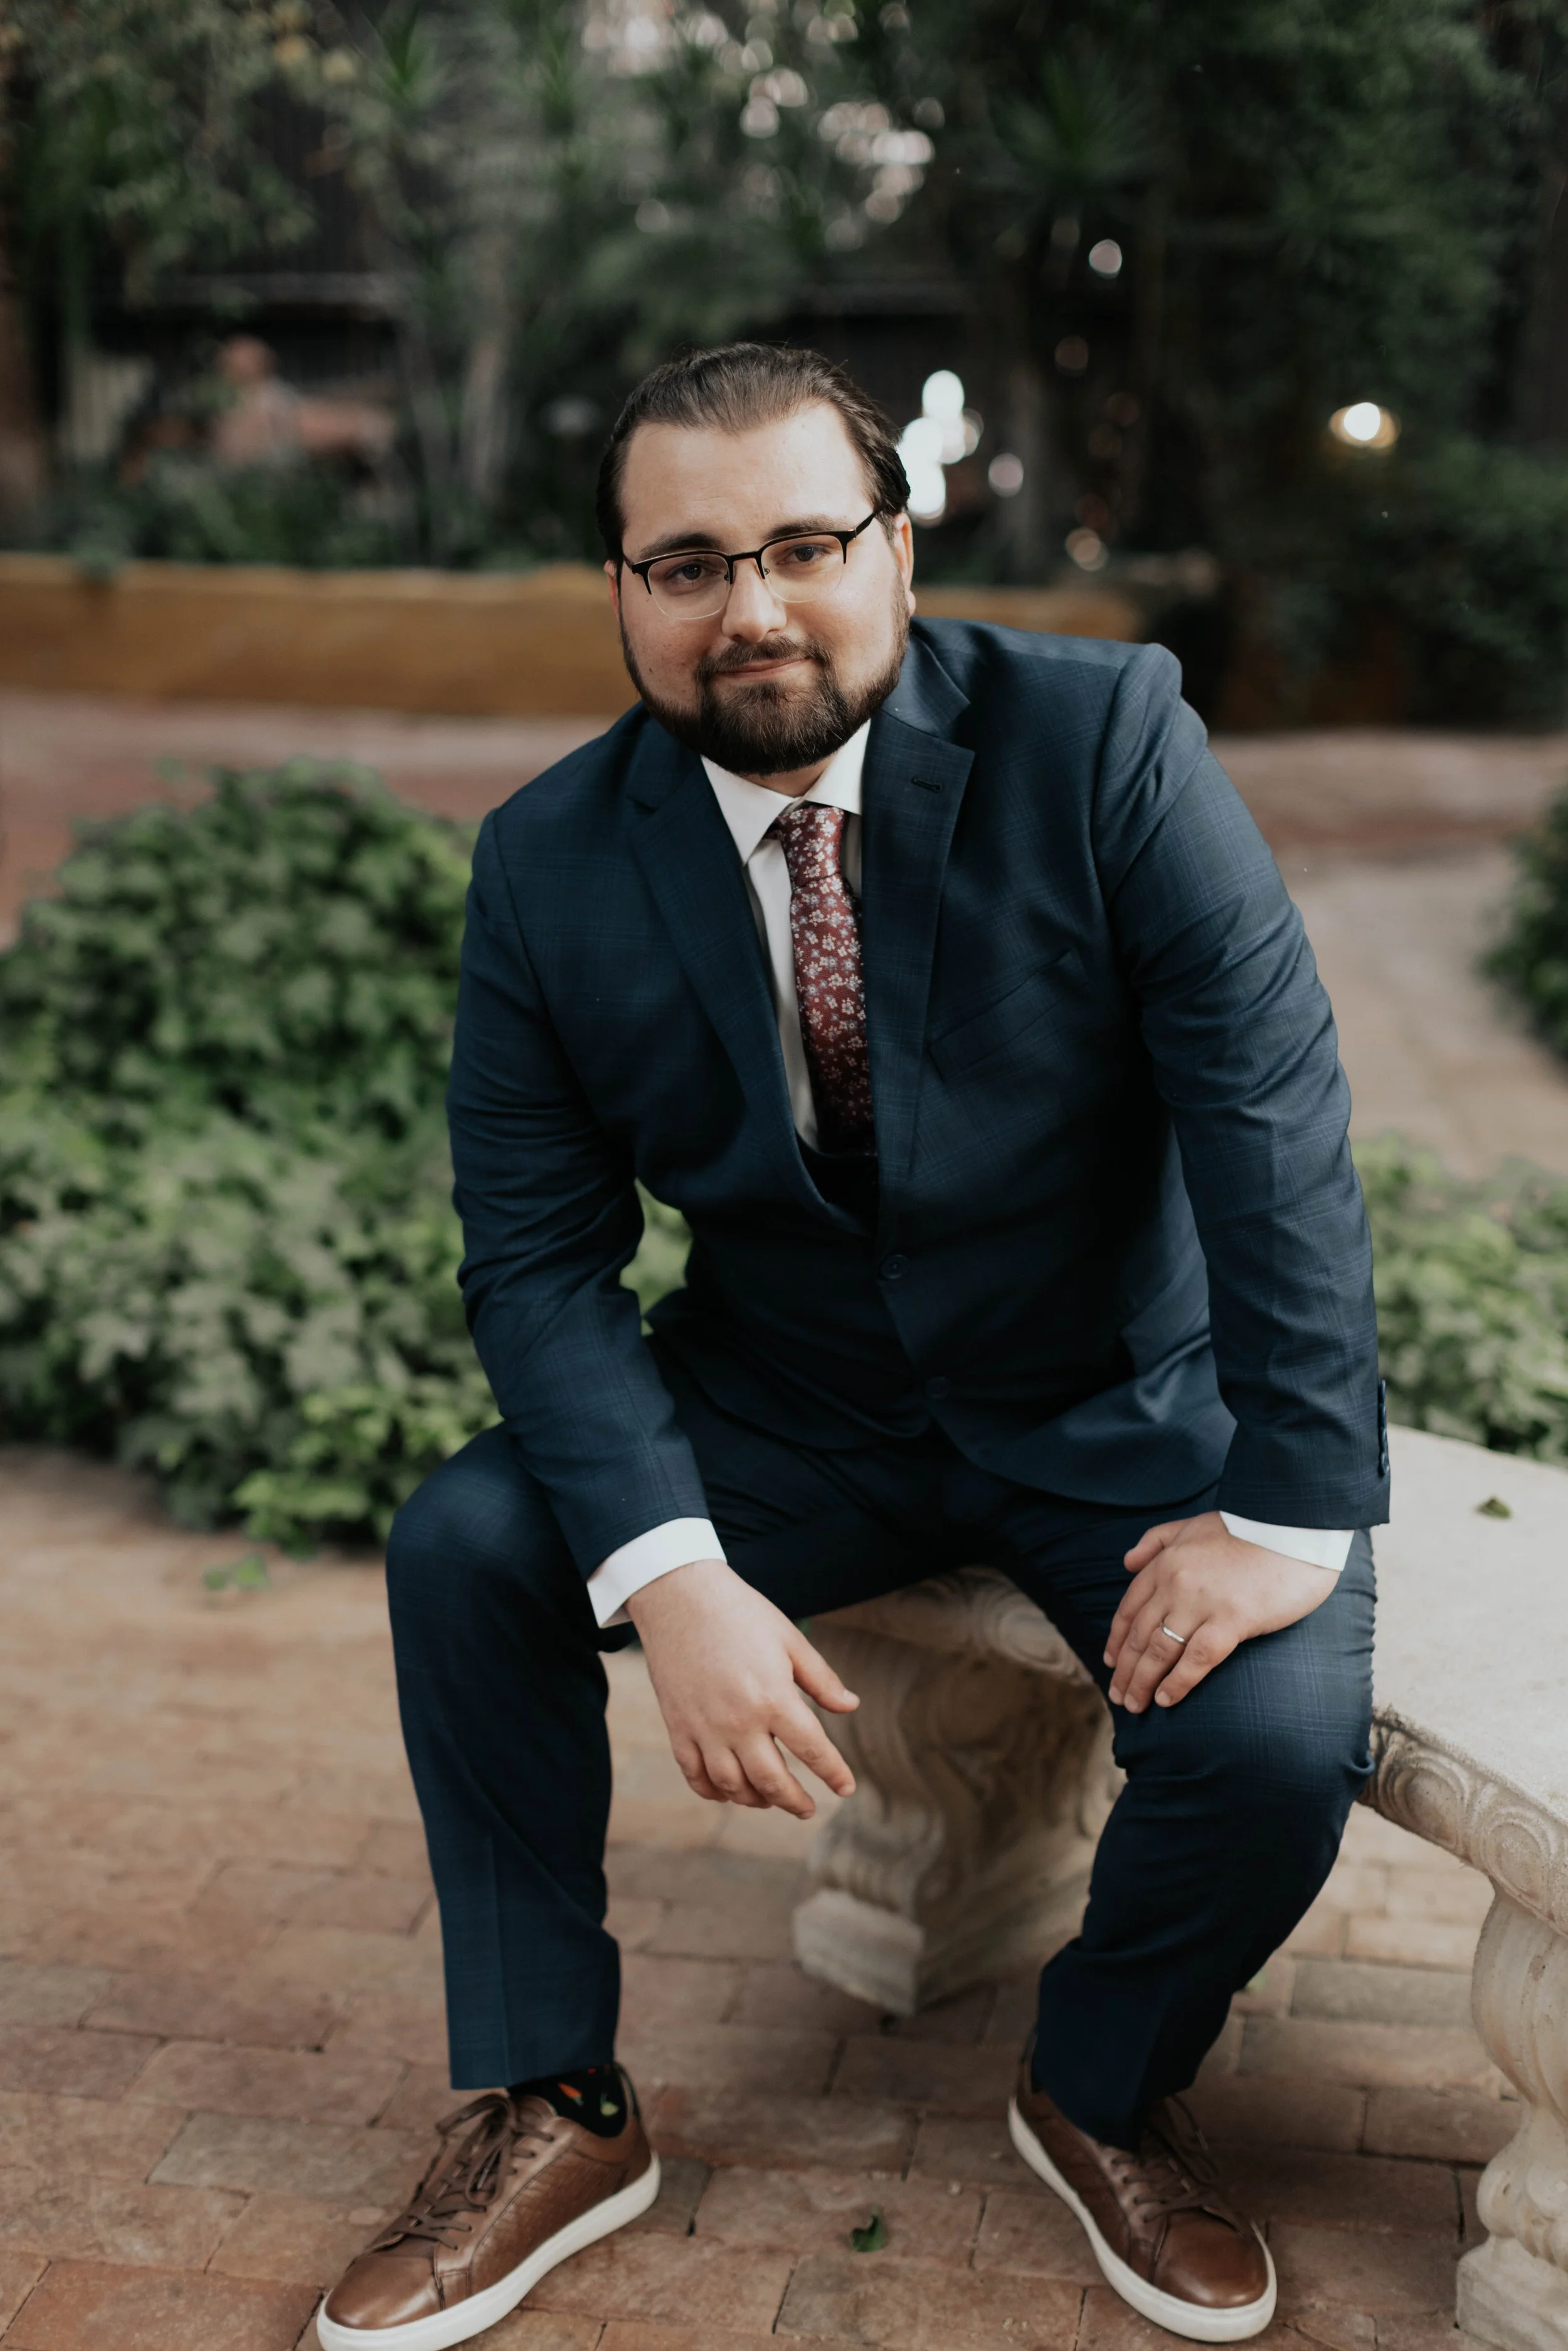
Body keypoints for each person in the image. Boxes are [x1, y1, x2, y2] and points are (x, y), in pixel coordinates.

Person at [317, 343, 1385, 2351]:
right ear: (620, 591)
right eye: (687, 560)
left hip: (1114, 1398)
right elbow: (539, 1265)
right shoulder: (549, 861)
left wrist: (1287, 1503)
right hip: (786, 1399)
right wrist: (675, 1567)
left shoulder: (1105, 739)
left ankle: (1098, 2078)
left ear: (899, 549)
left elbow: (1268, 1115)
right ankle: (552, 2096)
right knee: (469, 1547)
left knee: (1268, 1737)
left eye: (806, 543)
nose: (754, 608)